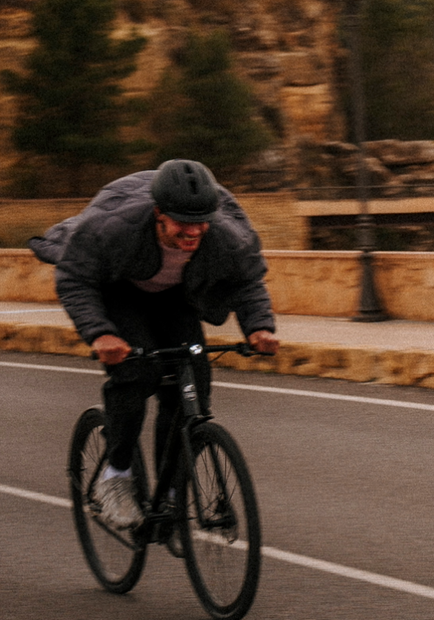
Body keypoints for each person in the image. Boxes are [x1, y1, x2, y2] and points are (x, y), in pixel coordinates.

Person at [32, 159, 282, 530]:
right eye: (182, 222)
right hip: (119, 289)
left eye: (201, 222)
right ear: (158, 214)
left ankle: (171, 492)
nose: (193, 231)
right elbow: (74, 278)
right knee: (137, 373)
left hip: (175, 296)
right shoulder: (115, 229)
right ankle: (116, 475)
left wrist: (259, 327)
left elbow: (247, 281)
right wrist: (100, 333)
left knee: (192, 385)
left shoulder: (226, 235)